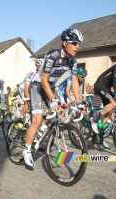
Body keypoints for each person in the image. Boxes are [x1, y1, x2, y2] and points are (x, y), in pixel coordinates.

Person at [22, 28, 84, 169]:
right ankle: (26, 150)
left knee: (61, 117)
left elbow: (74, 82)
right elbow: (44, 80)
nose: (77, 47)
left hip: (50, 87)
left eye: (79, 43)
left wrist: (79, 102)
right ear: (64, 43)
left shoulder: (73, 61)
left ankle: (45, 135)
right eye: (74, 43)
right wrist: (53, 99)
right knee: (37, 119)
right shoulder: (53, 55)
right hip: (38, 86)